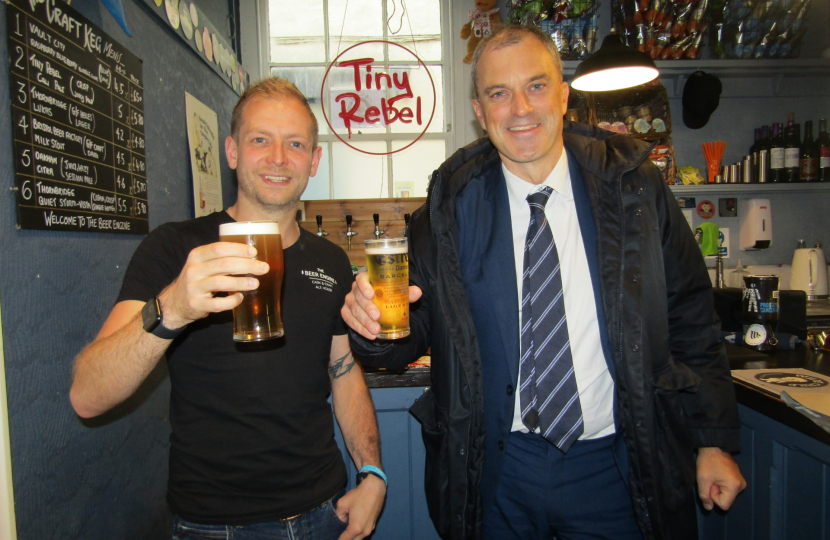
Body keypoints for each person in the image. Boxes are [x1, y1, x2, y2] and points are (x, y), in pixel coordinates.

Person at [342, 25, 745, 540]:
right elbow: (401, 340)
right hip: (497, 473)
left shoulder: (635, 187)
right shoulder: (446, 213)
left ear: (563, 95)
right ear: (480, 111)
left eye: (535, 86)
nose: (520, 109)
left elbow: (691, 314)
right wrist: (369, 326)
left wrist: (712, 440)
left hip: (617, 465)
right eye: (498, 93)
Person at [70, 78, 386, 540]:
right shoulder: (175, 248)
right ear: (232, 151)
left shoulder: (330, 261)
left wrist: (372, 473)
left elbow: (342, 370)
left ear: (314, 161)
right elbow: (87, 395)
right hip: (212, 526)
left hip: (325, 513)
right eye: (261, 139)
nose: (278, 158)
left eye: (295, 144)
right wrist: (171, 308)